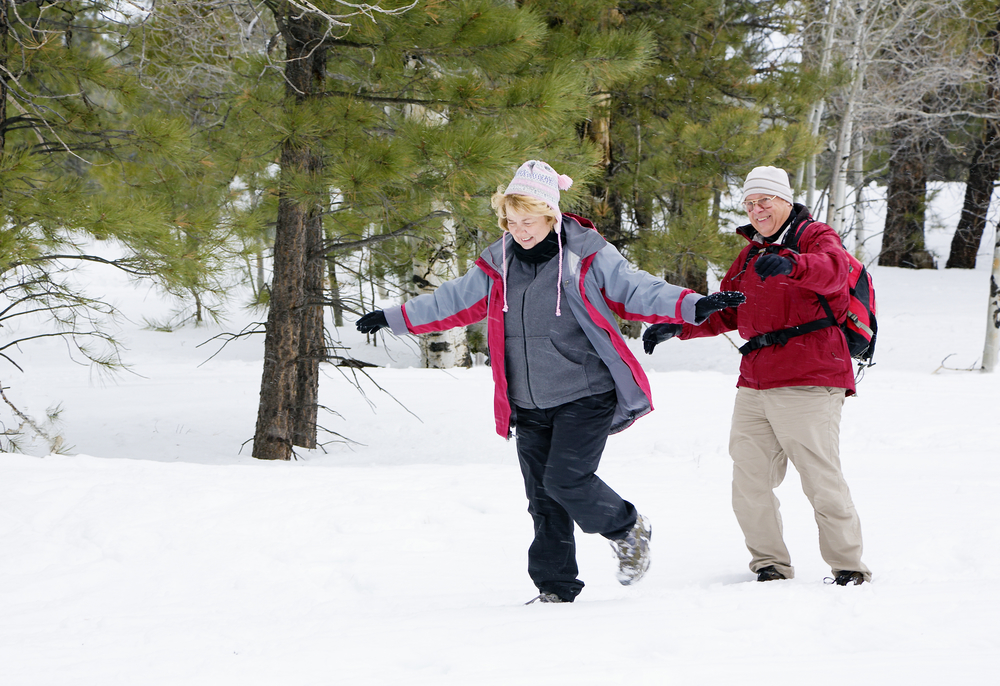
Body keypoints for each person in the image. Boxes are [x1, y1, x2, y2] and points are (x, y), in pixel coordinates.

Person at [357, 160, 745, 603]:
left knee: (566, 480)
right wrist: (394, 317)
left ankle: (627, 526)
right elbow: (452, 302)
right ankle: (555, 589)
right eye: (512, 221)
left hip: (585, 393)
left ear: (551, 216)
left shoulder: (586, 254)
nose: (521, 231)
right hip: (528, 401)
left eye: (530, 221)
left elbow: (635, 289)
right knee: (542, 499)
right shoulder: (498, 264)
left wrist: (693, 303)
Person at [643, 166, 872, 586]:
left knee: (820, 478)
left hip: (810, 375)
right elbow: (728, 309)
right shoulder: (751, 252)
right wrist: (678, 326)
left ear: (786, 200)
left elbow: (834, 271)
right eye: (750, 202)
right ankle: (770, 564)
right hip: (754, 381)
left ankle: (848, 567)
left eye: (765, 200)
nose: (757, 209)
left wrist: (792, 264)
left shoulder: (815, 237)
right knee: (749, 480)